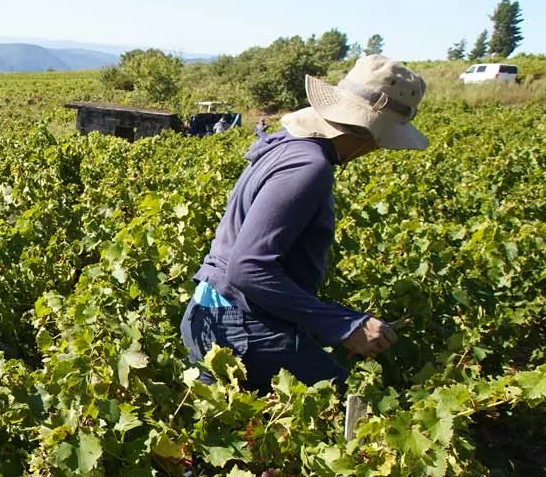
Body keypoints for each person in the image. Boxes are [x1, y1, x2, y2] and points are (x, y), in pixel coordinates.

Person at [180, 54, 428, 392]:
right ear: (370, 133)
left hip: (214, 314)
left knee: (240, 430)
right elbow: (247, 268)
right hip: (241, 326)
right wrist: (344, 325)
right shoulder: (308, 167)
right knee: (348, 409)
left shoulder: (289, 146)